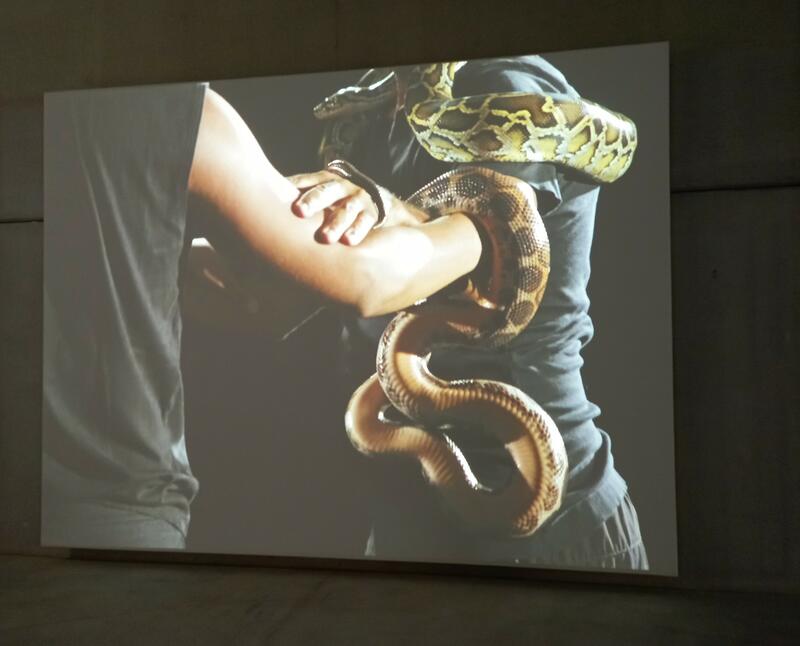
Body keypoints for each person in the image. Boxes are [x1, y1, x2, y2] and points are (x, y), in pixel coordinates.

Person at [41, 81, 481, 550]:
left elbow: (208, 288)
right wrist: (489, 222)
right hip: (113, 512)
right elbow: (363, 278)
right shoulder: (167, 105)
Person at [289, 56, 650, 571]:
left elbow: (394, 275)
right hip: (409, 521)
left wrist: (382, 208)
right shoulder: (372, 109)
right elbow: (294, 292)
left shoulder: (501, 83)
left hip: (550, 525)